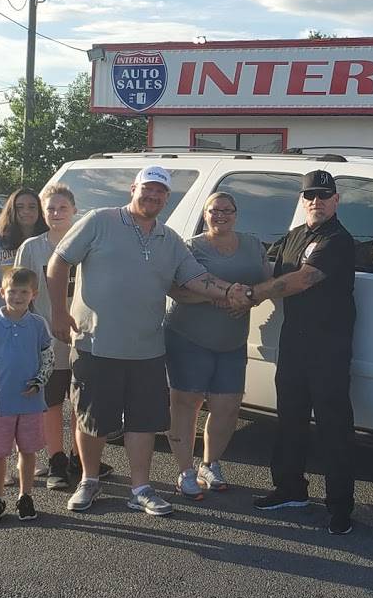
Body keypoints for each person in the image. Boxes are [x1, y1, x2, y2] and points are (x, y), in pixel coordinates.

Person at [46, 166, 248, 517]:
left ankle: (140, 488)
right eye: (147, 189)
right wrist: (59, 314)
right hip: (97, 344)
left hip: (147, 350)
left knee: (142, 423)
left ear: (167, 198)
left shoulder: (169, 239)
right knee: (91, 420)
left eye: (160, 191)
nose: (153, 196)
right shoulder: (100, 221)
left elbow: (196, 278)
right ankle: (89, 480)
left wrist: (231, 291)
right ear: (133, 189)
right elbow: (59, 261)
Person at [240, 169, 357, 535]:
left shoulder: (338, 240)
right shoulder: (293, 237)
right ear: (302, 200)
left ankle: (340, 507)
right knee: (290, 420)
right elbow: (267, 268)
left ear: (336, 200)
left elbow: (303, 279)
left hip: (329, 348)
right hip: (293, 343)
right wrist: (225, 280)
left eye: (323, 195)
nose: (316, 201)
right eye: (309, 195)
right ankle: (290, 489)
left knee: (334, 427)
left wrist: (250, 296)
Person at [164, 192, 271, 499]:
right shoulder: (190, 247)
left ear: (236, 214)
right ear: (205, 214)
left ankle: (209, 464)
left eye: (227, 210)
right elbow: (174, 289)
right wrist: (220, 296)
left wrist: (249, 299)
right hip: (188, 337)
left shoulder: (253, 245)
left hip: (232, 341)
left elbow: (265, 284)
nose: (221, 215)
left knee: (228, 407)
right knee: (186, 404)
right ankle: (185, 471)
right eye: (214, 210)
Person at [16, 183, 111, 491]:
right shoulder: (32, 248)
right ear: (44, 214)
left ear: (74, 211)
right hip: (48, 339)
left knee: (81, 401)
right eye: (51, 209)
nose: (56, 213)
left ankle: (78, 457)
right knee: (52, 401)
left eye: (63, 208)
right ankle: (56, 459)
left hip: (84, 336)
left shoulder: (89, 245)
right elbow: (20, 293)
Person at [0, 267, 53, 525]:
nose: (17, 297)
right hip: (1, 402)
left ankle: (25, 496)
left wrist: (39, 382)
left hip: (31, 403)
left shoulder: (38, 325)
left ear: (34, 294)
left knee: (28, 451)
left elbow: (47, 358)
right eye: (12, 292)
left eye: (23, 292)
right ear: (2, 292)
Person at [0, 187, 48, 335]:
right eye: (20, 207)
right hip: (3, 328)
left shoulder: (47, 243)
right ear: (11, 210)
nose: (26, 211)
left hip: (41, 328)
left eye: (32, 207)